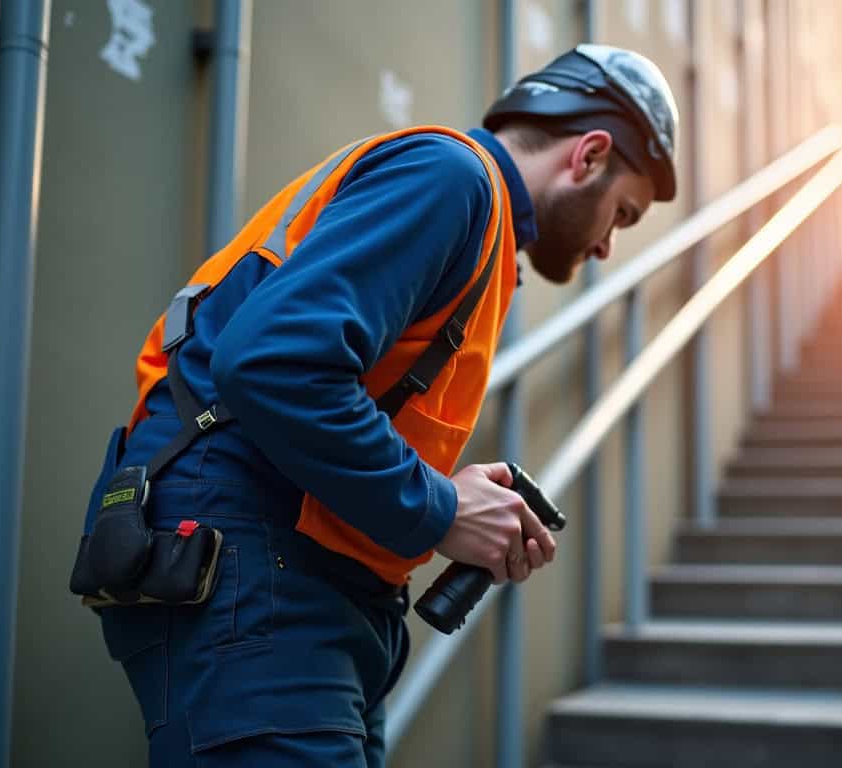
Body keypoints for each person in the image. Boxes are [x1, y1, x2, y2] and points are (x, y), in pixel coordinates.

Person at [73, 44, 679, 767]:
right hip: (252, 570)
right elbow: (273, 365)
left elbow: (308, 376)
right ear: (589, 154)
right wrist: (441, 509)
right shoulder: (452, 181)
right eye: (625, 213)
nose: (610, 245)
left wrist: (450, 493)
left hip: (301, 587)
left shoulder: (472, 217)